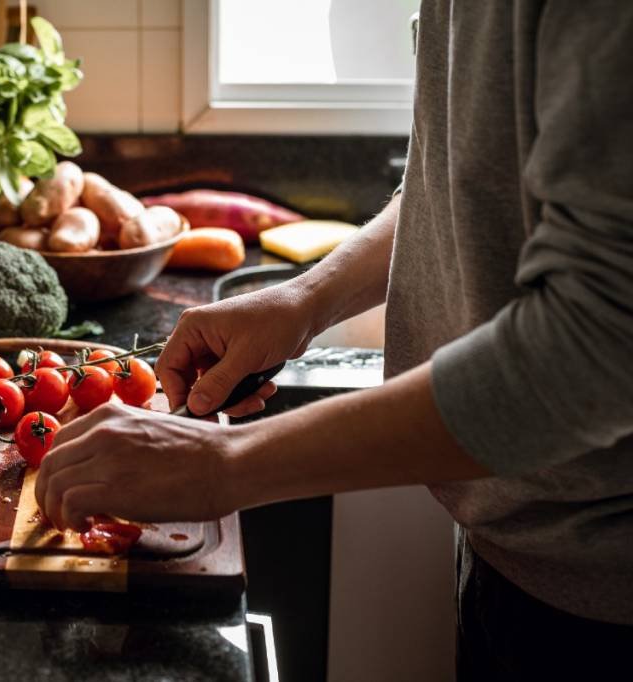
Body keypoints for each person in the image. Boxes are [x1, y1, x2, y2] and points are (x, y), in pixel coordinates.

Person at [35, 2, 633, 678]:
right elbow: (463, 175)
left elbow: (602, 342)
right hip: (516, 548)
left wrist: (226, 463)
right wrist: (305, 299)